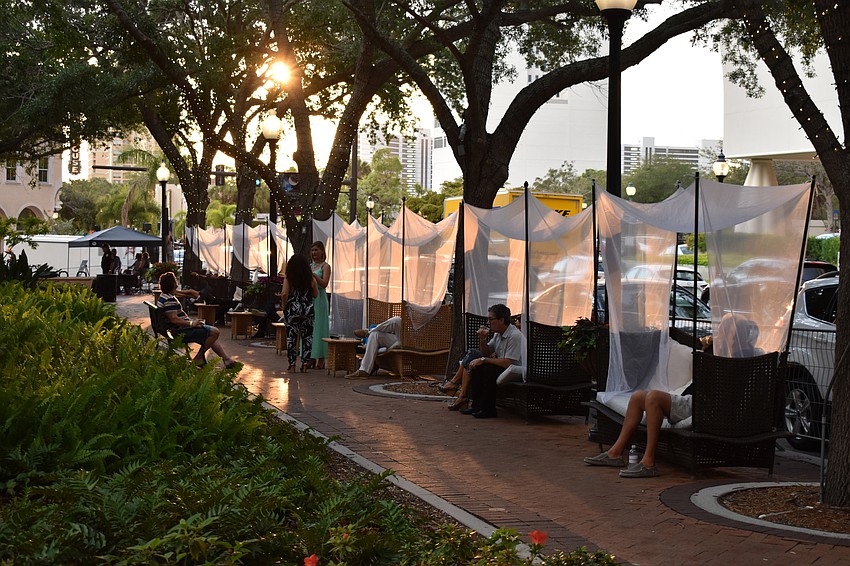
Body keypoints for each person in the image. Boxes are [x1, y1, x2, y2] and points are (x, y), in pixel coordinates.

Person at [584, 313, 759, 478]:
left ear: (736, 335)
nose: (721, 334)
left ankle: (648, 462)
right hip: (694, 397)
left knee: (653, 398)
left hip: (703, 405)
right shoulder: (719, 350)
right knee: (638, 397)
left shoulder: (740, 357)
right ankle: (615, 453)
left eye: (726, 331)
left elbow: (720, 386)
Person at [156, 271, 238, 369]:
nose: (177, 282)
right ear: (173, 284)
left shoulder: (164, 296)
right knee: (214, 332)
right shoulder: (169, 300)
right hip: (180, 331)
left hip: (177, 329)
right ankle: (198, 358)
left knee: (211, 333)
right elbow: (174, 319)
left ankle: (226, 359)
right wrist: (191, 323)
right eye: (176, 280)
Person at [458, 304, 525, 419]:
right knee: (477, 366)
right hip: (504, 365)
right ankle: (477, 405)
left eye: (491, 319)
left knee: (488, 369)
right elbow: (486, 352)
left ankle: (489, 409)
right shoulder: (497, 334)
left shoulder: (514, 336)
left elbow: (508, 362)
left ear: (501, 320)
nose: (488, 322)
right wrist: (483, 340)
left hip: (515, 369)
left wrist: (484, 360)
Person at [281, 254, 318, 372]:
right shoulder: (311, 279)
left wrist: (284, 304)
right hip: (308, 309)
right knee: (307, 337)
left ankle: (292, 364)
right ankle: (305, 363)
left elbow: (284, 293)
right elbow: (316, 294)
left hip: (292, 309)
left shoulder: (289, 278)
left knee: (291, 337)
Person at [309, 241, 331, 370]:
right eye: (312, 251)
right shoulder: (310, 266)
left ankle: (321, 358)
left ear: (322, 251)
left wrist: (314, 277)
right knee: (310, 328)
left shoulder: (325, 266)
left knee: (320, 327)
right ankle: (311, 356)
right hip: (310, 298)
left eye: (316, 250)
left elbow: (324, 284)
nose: (314, 253)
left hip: (320, 299)